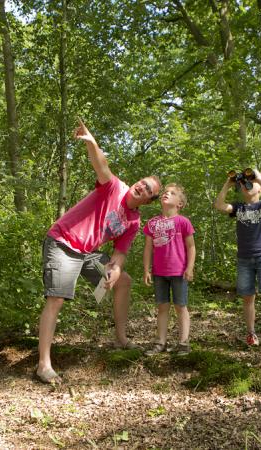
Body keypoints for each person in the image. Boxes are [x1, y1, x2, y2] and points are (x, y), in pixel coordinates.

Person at [36, 119, 161, 384]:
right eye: (142, 182)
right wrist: (92, 142)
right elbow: (102, 166)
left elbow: (120, 255)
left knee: (123, 281)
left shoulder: (134, 221)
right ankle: (43, 365)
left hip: (86, 253)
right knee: (56, 298)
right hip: (62, 242)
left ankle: (121, 338)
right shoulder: (115, 187)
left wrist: (114, 270)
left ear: (149, 201)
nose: (141, 187)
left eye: (148, 190)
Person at [213, 168, 261, 350]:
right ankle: (251, 333)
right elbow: (219, 205)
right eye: (244, 184)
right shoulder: (238, 208)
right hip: (244, 258)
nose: (247, 186)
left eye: (252, 184)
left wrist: (260, 179)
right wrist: (228, 185)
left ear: (260, 188)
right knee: (247, 297)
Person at [142, 184, 196, 356]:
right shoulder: (152, 223)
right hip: (159, 272)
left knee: (181, 306)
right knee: (162, 307)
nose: (167, 194)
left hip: (179, 271)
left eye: (172, 193)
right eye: (165, 192)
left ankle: (183, 342)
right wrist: (146, 270)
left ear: (179, 203)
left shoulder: (183, 222)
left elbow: (191, 247)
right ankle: (160, 342)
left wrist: (190, 267)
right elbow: (148, 248)